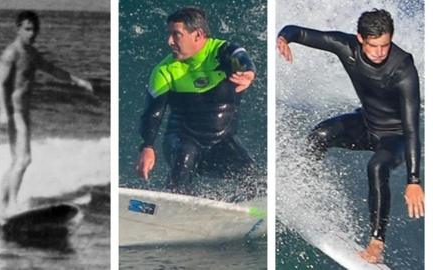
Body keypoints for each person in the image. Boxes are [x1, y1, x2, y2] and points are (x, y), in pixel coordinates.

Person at [277, 9, 424, 263]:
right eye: (373, 45)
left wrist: (413, 180)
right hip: (366, 124)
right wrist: (283, 38)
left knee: (377, 166)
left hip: (396, 137)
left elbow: (412, 129)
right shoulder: (346, 47)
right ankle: (307, 191)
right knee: (319, 135)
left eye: (385, 45)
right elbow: (300, 32)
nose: (379, 52)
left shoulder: (403, 68)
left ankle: (377, 243)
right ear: (360, 39)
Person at [135, 7, 257, 196]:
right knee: (186, 154)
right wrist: (147, 146)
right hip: (181, 140)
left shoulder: (221, 52)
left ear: (198, 35)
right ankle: (172, 201)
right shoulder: (165, 70)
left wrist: (249, 72)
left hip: (221, 143)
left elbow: (241, 56)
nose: (170, 42)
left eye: (176, 35)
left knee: (254, 178)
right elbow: (153, 113)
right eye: (169, 35)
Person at [0, 11, 93, 216]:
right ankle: (12, 205)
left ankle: (1, 206)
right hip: (15, 114)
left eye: (34, 29)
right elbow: (0, 84)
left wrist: (78, 81)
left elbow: (53, 69)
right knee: (24, 160)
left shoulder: (32, 54)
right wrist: (3, 112)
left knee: (17, 161)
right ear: (18, 28)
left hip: (24, 113)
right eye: (27, 29)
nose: (31, 33)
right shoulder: (10, 53)